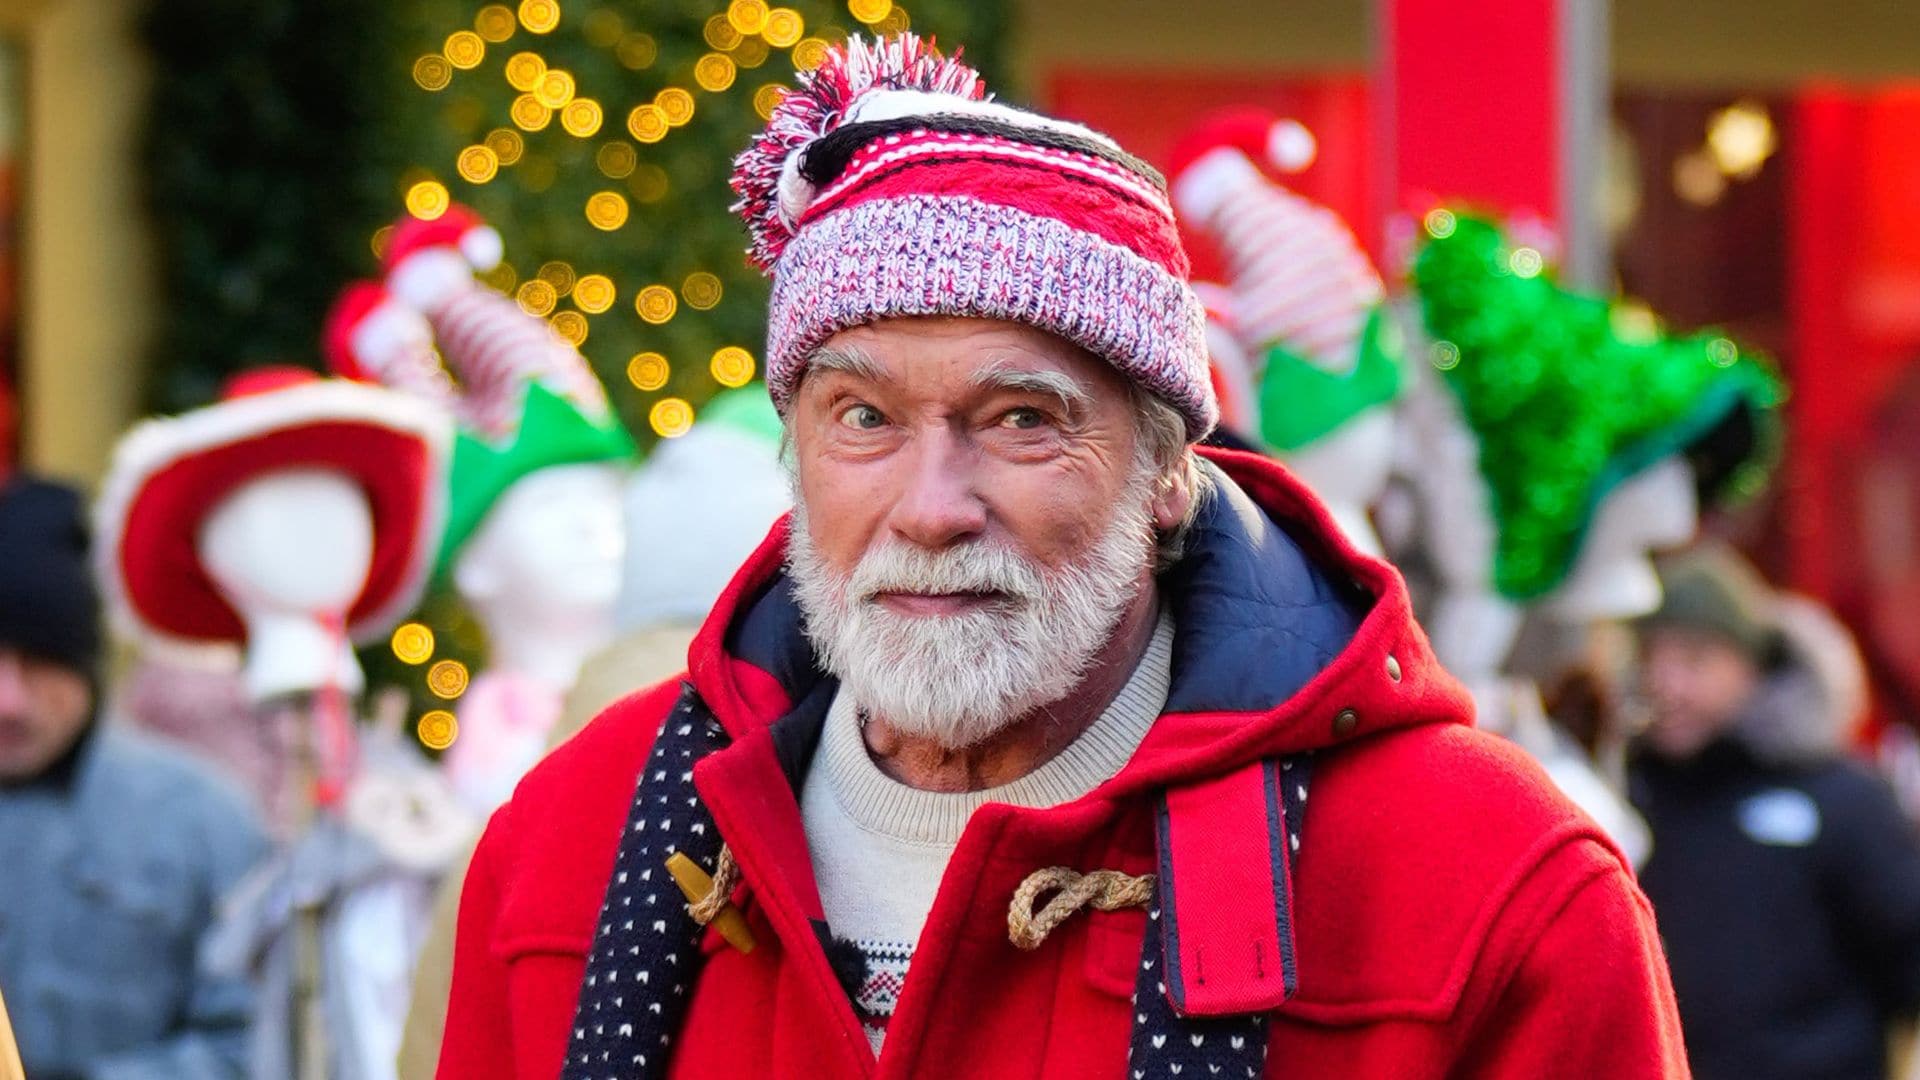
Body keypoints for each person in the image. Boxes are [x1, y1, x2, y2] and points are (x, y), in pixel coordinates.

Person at [438, 34, 1686, 1079]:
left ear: (1166, 474)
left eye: (1022, 421)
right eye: (863, 418)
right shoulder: (577, 842)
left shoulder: (1488, 887)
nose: (931, 508)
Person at [0, 474, 266, 1079]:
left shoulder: (202, 821)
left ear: (86, 666)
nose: (9, 700)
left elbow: (258, 1042)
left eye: (40, 662)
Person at [1632, 547, 1920, 1080]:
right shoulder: (1628, 797)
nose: (1666, 684)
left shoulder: (1842, 800)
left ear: (1754, 666)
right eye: (1653, 656)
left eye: (1694, 659)